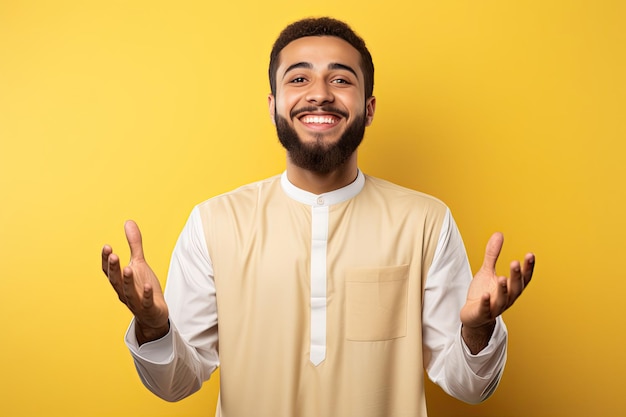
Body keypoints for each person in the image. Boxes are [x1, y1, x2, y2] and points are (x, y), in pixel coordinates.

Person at [101, 16, 535, 417]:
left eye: (341, 79)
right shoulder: (213, 223)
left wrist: (479, 331)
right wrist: (153, 327)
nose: (320, 92)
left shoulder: (426, 222)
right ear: (273, 105)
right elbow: (176, 383)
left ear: (368, 107)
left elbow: (468, 386)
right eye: (300, 78)